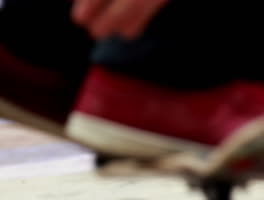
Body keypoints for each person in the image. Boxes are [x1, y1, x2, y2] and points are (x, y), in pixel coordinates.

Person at [1, 0, 264, 157]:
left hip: (67, 37)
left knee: (37, 28)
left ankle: (37, 36)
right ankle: (176, 63)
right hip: (174, 61)